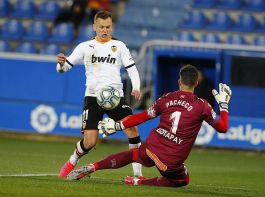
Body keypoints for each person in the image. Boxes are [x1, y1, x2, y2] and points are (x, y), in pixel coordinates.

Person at [67, 65, 232, 187]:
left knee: (132, 155)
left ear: (179, 81)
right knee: (183, 180)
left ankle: (93, 166)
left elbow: (142, 116)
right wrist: (223, 106)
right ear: (196, 82)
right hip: (170, 160)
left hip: (152, 146)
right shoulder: (202, 105)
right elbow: (223, 128)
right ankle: (139, 182)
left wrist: (118, 126)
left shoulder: (166, 98)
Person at [56, 10, 143, 180]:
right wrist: (60, 65)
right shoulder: (84, 47)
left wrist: (136, 86)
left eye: (108, 27)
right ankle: (72, 160)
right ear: (94, 27)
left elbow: (131, 68)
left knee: (132, 129)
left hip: (115, 96)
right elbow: (64, 67)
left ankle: (137, 175)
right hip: (93, 97)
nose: (105, 30)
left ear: (112, 27)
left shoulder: (120, 46)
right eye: (102, 27)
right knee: (90, 142)